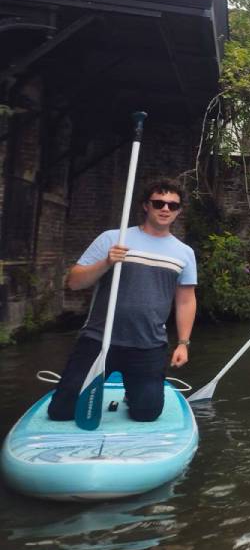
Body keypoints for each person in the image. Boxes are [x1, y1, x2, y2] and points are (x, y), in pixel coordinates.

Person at [48, 177, 197, 422]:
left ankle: (134, 395)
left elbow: (185, 301)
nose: (166, 209)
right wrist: (106, 262)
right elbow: (74, 282)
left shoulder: (184, 253)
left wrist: (183, 343)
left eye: (173, 205)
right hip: (99, 340)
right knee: (61, 412)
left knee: (147, 414)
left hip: (148, 344)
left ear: (179, 211)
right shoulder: (113, 239)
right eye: (159, 203)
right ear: (145, 206)